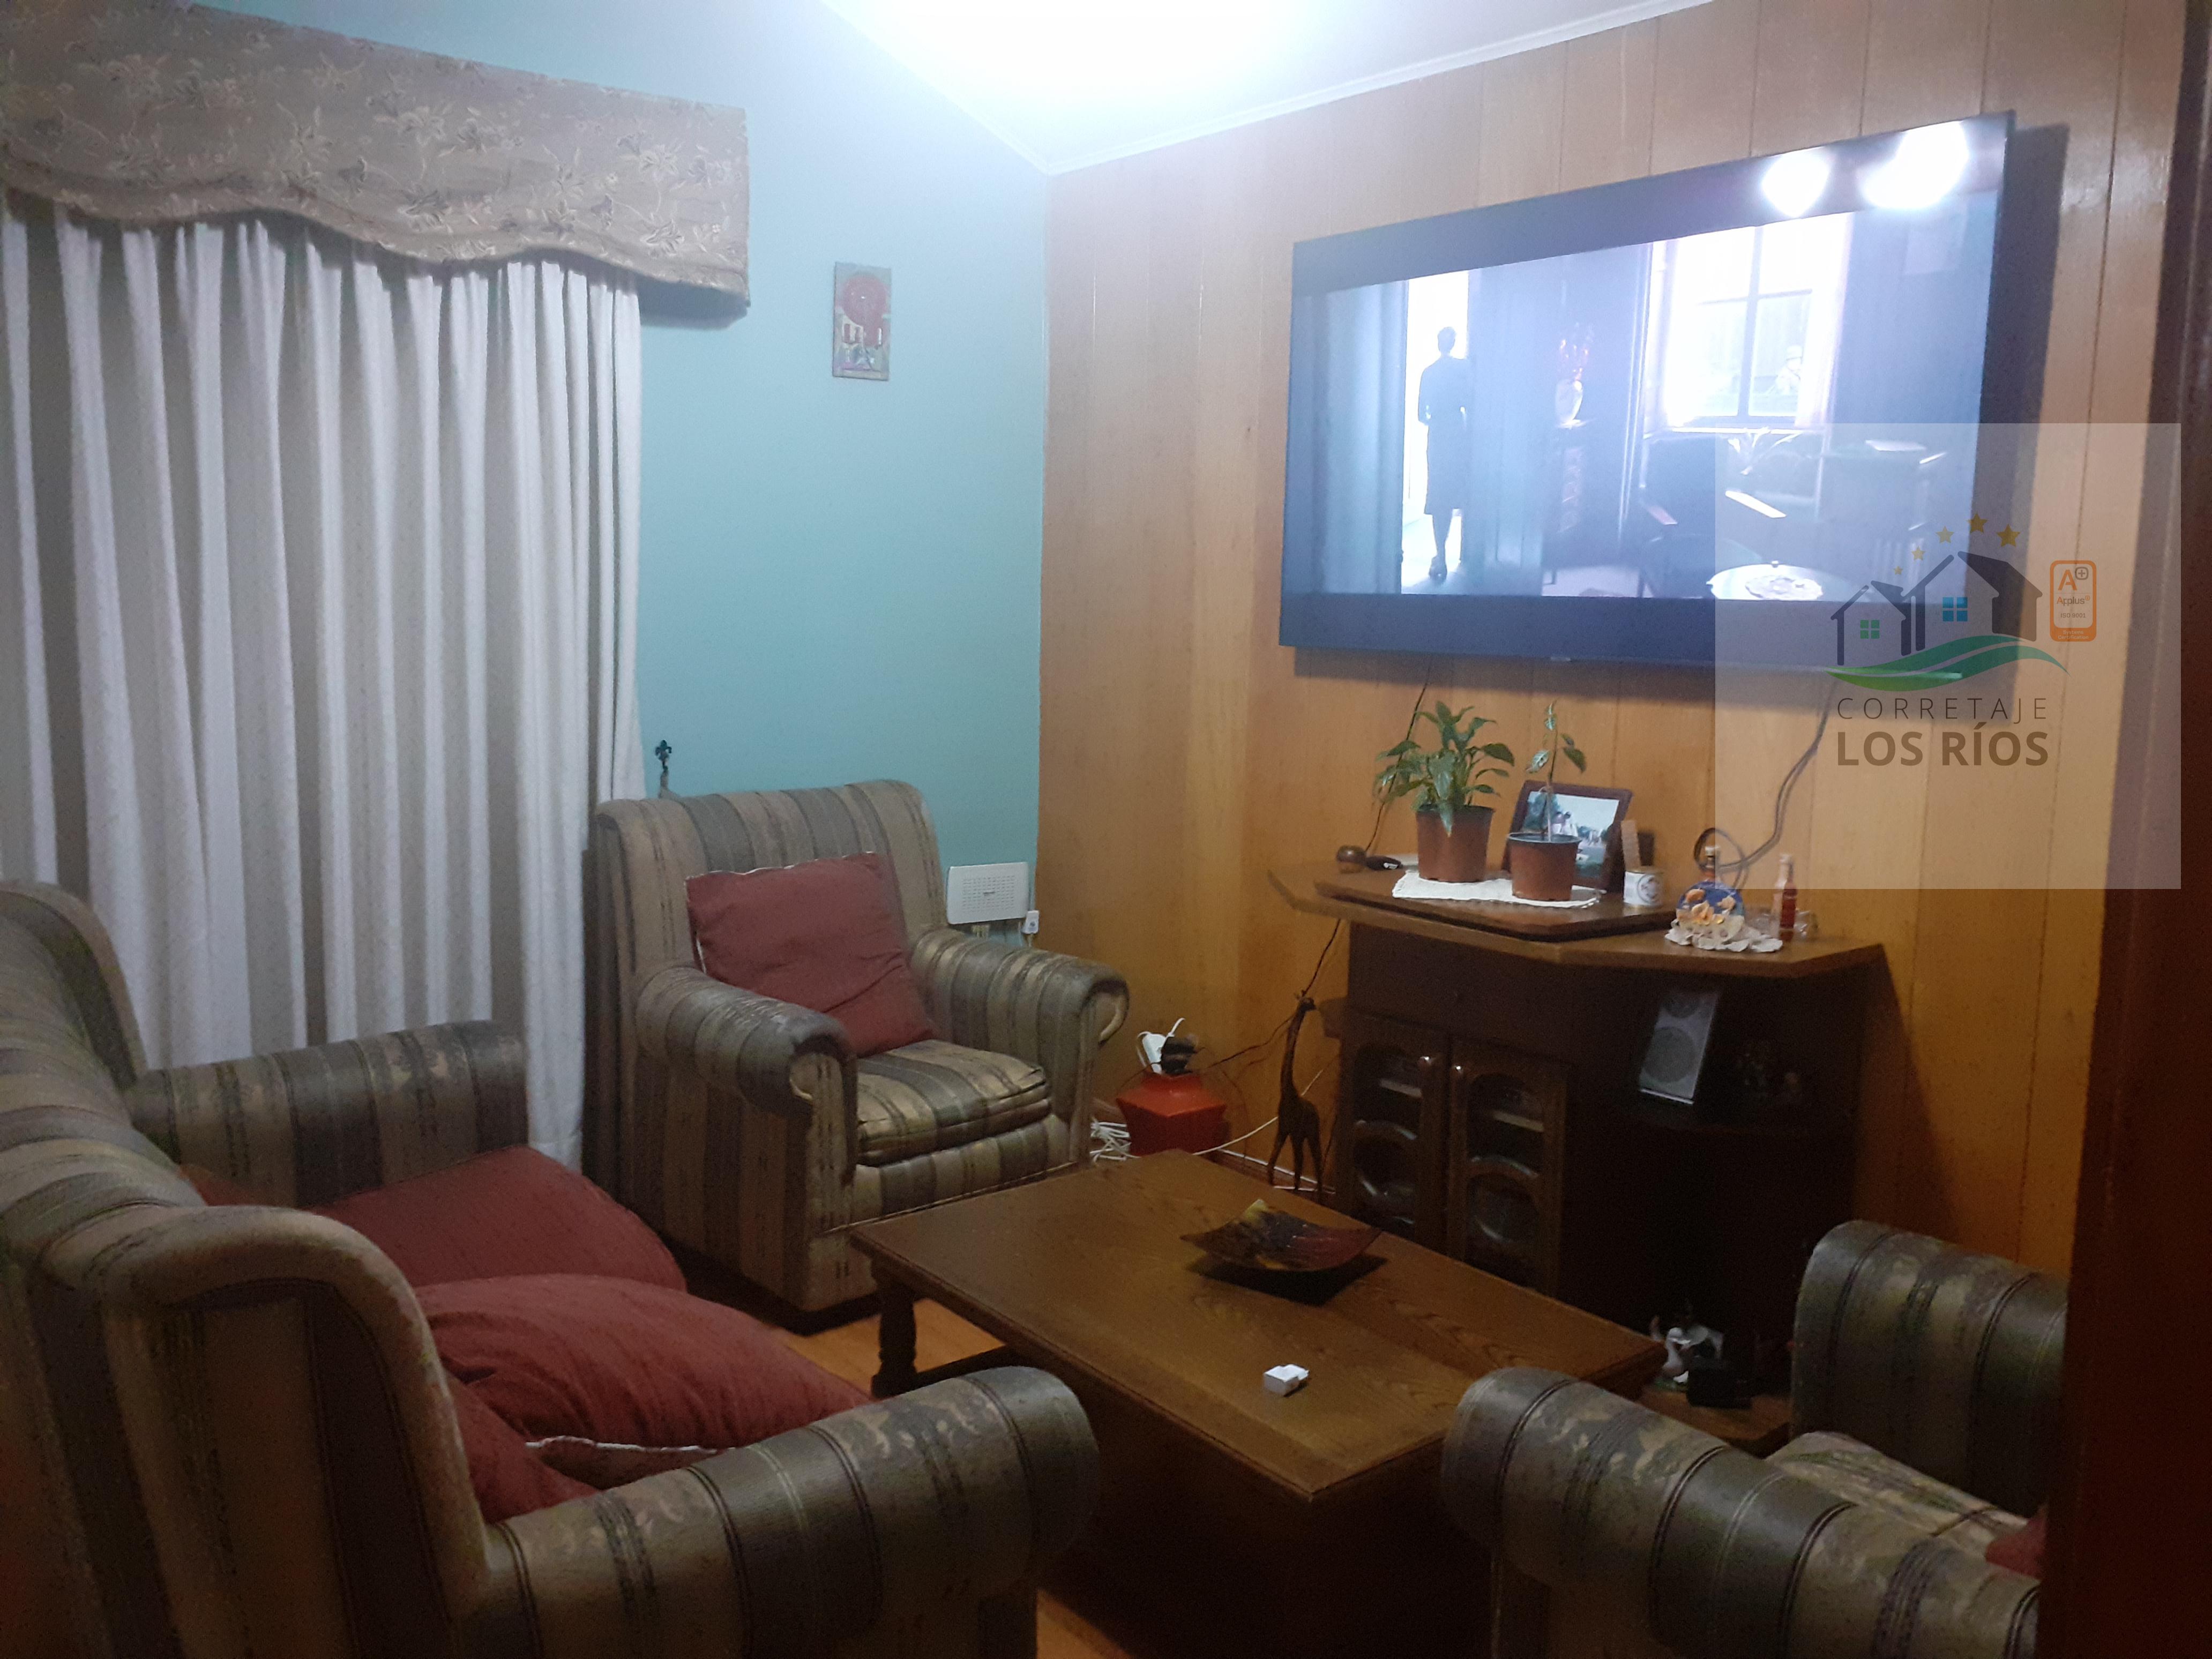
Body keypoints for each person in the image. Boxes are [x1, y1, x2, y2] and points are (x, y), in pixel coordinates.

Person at [1417, 327, 1476, 584]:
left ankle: (1440, 553)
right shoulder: (1464, 369)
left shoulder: (1429, 372)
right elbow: (1471, 401)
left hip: (1439, 435)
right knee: (1460, 492)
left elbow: (1421, 414)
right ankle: (1463, 553)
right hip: (1459, 434)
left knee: (1439, 495)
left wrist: (1435, 419)